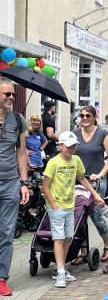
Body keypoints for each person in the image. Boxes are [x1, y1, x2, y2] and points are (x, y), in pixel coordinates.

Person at [41, 131, 104, 288]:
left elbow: (82, 178)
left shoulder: (76, 160)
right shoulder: (53, 162)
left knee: (68, 237)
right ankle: (61, 272)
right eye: (69, 146)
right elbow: (45, 187)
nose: (72, 148)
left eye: (74, 145)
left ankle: (58, 268)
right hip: (56, 206)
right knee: (59, 238)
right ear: (60, 146)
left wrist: (95, 195)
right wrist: (54, 206)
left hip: (70, 204)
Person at [71, 106, 108, 265]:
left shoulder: (102, 134)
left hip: (96, 181)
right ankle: (83, 251)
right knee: (79, 216)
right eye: (82, 115)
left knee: (95, 215)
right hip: (78, 181)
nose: (84, 118)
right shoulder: (75, 134)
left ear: (94, 116)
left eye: (87, 115)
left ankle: (107, 244)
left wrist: (101, 174)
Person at [0, 80, 30, 296]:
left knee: (6, 232)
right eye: (7, 94)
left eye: (13, 94)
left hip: (10, 182)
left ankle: (2, 278)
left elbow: (21, 153)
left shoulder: (18, 120)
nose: (11, 97)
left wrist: (24, 183)